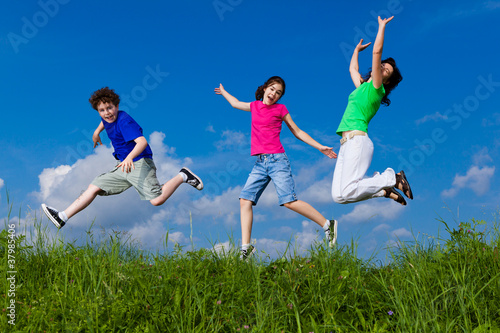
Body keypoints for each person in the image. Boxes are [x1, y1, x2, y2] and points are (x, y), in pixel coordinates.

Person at [42, 87, 203, 229]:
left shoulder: (124, 122)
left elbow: (142, 142)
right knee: (94, 187)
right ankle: (62, 217)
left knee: (156, 200)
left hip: (140, 162)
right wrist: (96, 133)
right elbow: (104, 123)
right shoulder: (106, 118)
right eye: (102, 110)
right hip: (123, 166)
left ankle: (183, 175)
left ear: (117, 106)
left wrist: (130, 158)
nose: (107, 113)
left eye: (110, 108)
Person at [215, 76, 338, 259]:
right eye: (272, 89)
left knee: (288, 201)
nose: (274, 94)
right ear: (265, 88)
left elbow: (297, 131)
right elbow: (235, 103)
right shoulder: (255, 106)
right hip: (260, 163)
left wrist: (319, 146)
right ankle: (246, 248)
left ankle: (328, 225)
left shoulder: (280, 110)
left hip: (277, 161)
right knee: (244, 200)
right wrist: (224, 92)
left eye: (278, 92)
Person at [331, 16, 412, 206]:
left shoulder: (377, 88)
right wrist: (356, 51)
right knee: (339, 196)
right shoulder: (362, 88)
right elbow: (352, 69)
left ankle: (394, 177)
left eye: (386, 71)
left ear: (387, 81)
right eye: (383, 66)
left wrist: (381, 27)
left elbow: (376, 52)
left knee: (348, 189)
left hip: (358, 140)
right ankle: (383, 191)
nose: (382, 68)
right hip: (345, 143)